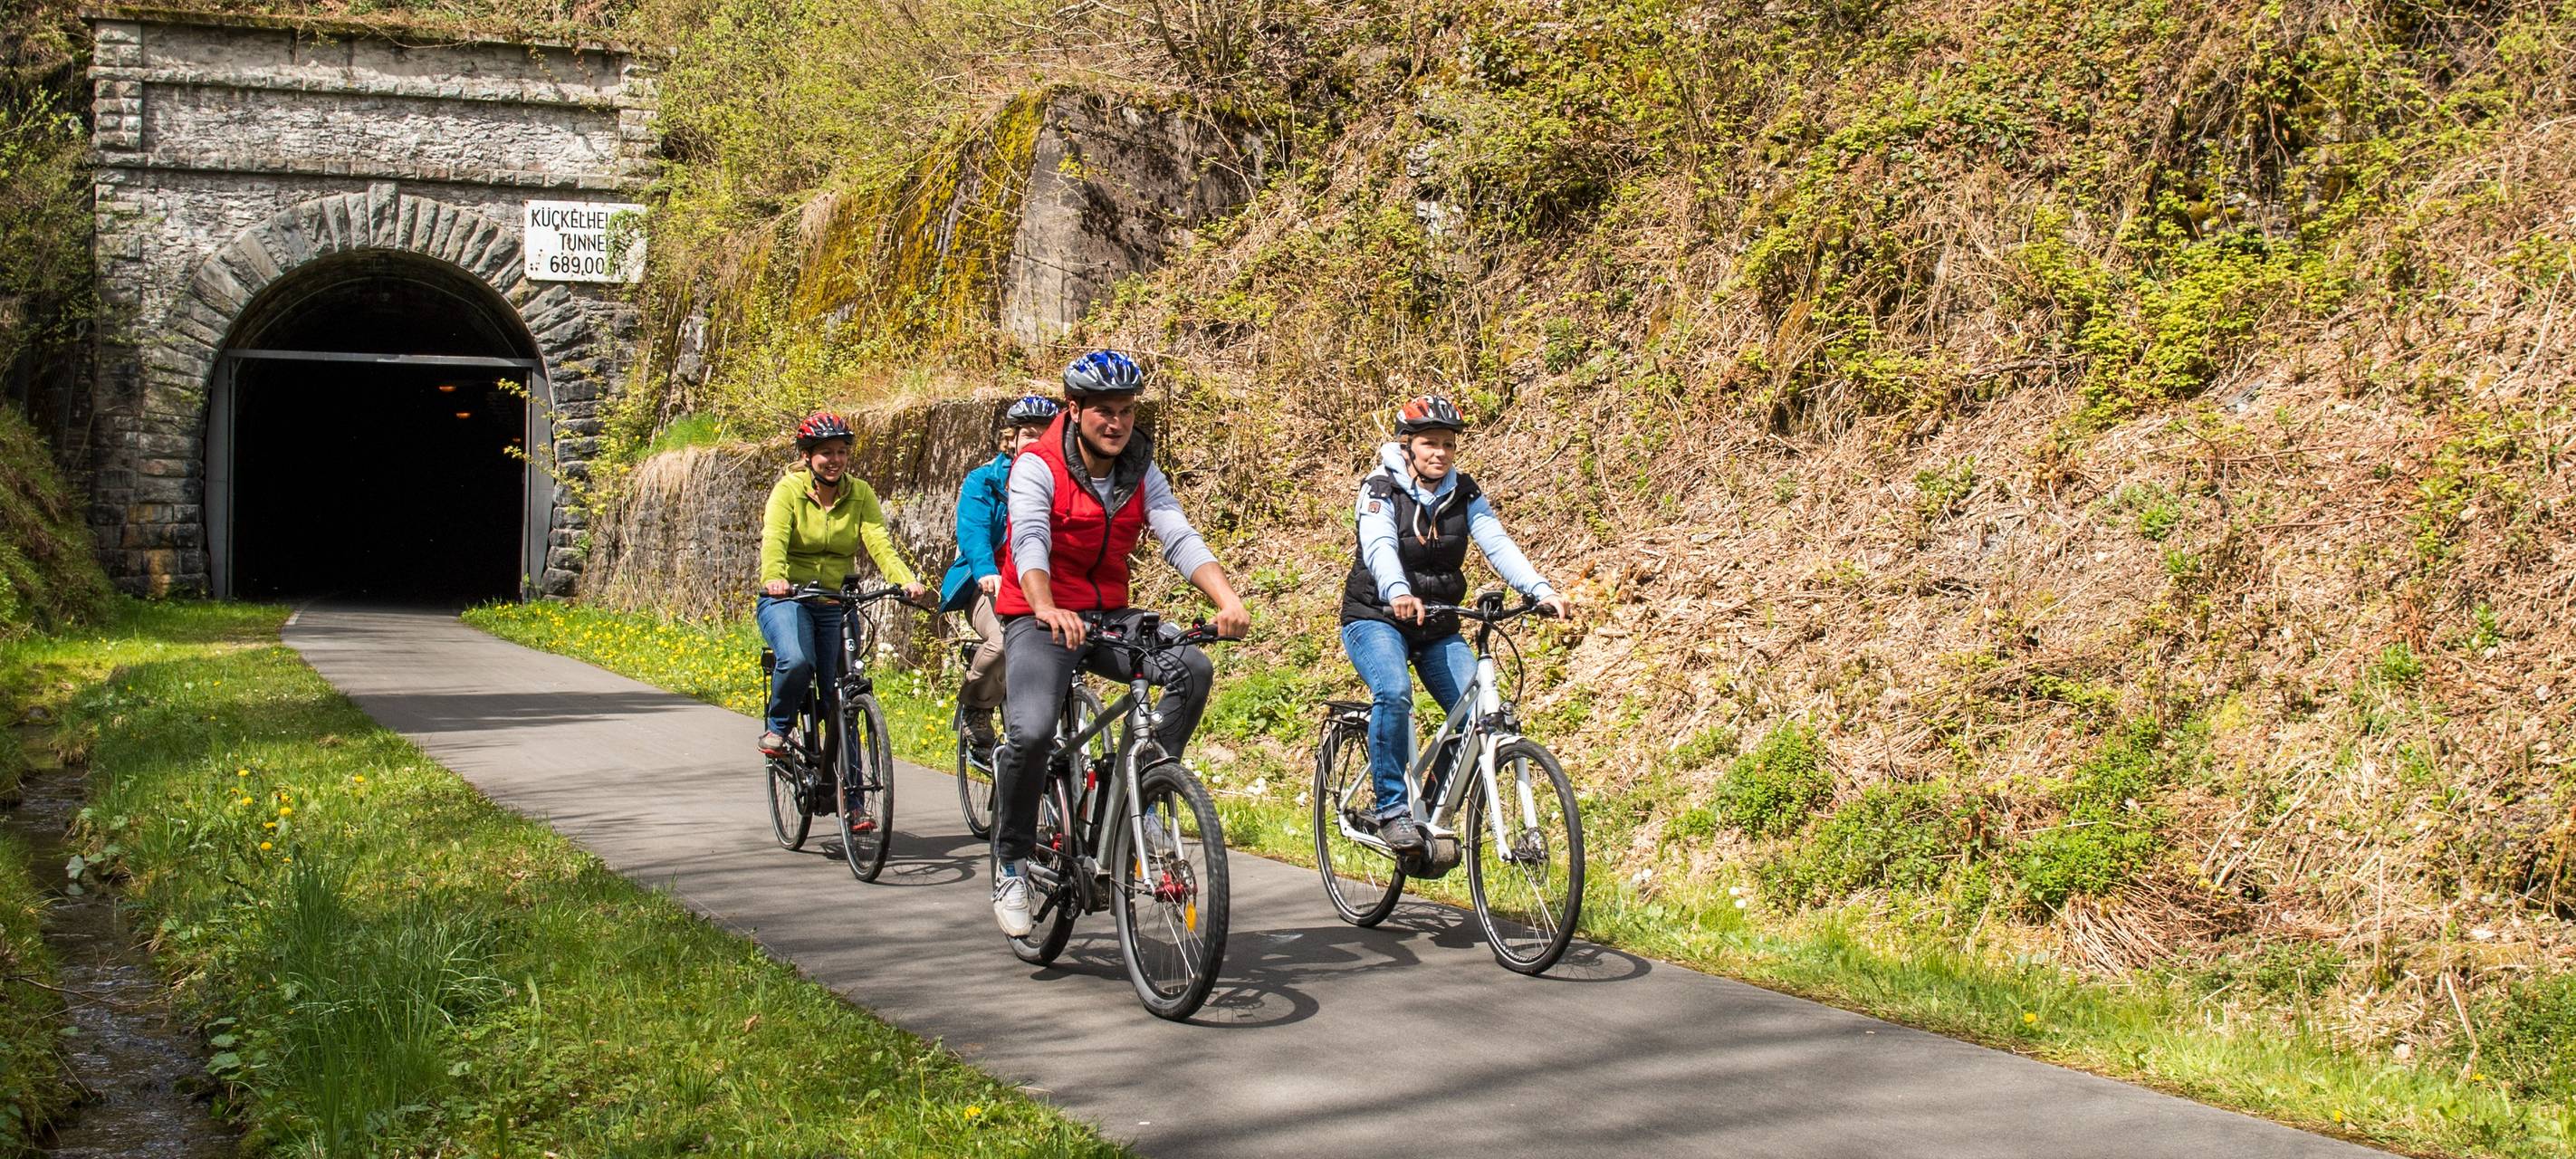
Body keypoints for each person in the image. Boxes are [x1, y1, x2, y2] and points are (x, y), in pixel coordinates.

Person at [988, 350, 1250, 937]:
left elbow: (1176, 533)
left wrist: (1225, 599)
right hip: (1038, 614)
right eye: (1103, 411)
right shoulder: (1036, 464)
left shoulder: (1138, 467)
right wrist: (1045, 603)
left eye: (1127, 412)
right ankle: (1009, 862)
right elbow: (1028, 538)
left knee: (1190, 667)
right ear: (1073, 409)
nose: (1117, 423)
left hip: (1107, 614)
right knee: (1030, 732)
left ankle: (1141, 792)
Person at [1341, 395, 1574, 853]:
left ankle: (1426, 808)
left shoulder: (1463, 492)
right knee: (1393, 691)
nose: (1440, 453)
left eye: (1449, 444)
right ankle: (1391, 809)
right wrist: (1398, 591)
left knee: (1476, 716)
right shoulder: (1378, 489)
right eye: (1430, 443)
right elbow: (1380, 545)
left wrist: (1539, 589)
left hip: (1438, 624)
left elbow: (1497, 543)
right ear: (1407, 446)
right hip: (1377, 617)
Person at [756, 410, 927, 825]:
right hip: (788, 599)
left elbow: (878, 542)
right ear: (807, 455)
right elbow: (775, 537)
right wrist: (775, 578)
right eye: (825, 453)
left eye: (842, 452)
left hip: (835, 602)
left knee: (843, 697)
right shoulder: (789, 490)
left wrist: (905, 580)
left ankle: (853, 803)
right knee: (797, 661)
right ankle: (779, 727)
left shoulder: (860, 493)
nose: (835, 460)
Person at [937, 395, 1061, 764]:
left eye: (1044, 434)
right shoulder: (984, 480)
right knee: (1006, 639)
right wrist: (987, 570)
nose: (1035, 441)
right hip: (988, 582)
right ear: (1012, 439)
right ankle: (977, 705)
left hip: (1044, 582)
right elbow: (973, 531)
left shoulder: (1064, 480)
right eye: (1027, 434)